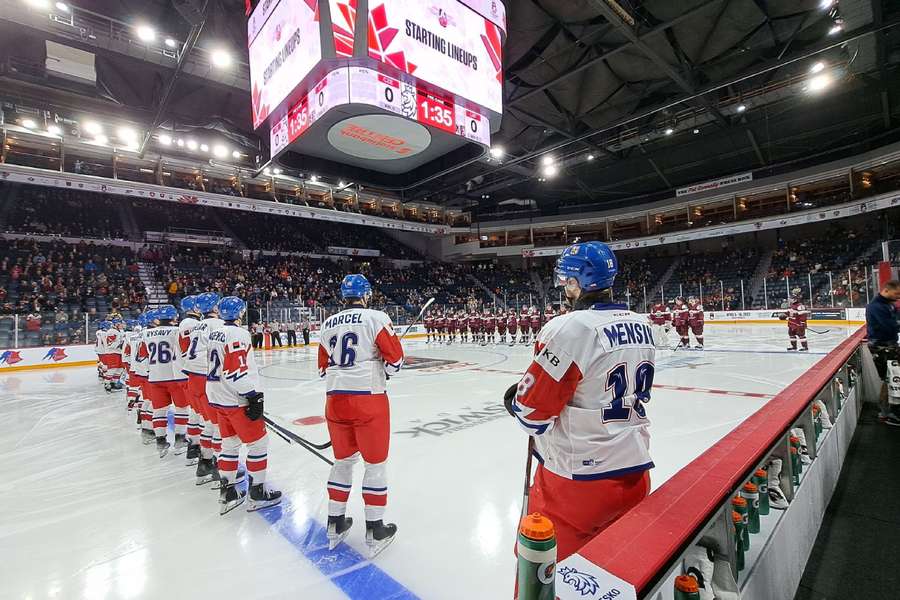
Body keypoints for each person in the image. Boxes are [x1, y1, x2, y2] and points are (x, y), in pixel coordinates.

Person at [505, 241, 654, 562]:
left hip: (577, 482)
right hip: (636, 472)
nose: (564, 288)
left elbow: (532, 414)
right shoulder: (644, 326)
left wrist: (515, 401)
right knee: (615, 573)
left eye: (566, 281)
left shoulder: (569, 327)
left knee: (542, 572)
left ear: (577, 282)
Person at [317, 274, 404, 556]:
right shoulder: (376, 317)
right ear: (366, 294)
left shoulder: (328, 323)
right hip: (369, 399)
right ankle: (375, 528)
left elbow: (322, 368)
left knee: (342, 462)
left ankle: (335, 521)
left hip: (335, 400)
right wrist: (385, 370)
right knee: (375, 465)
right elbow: (396, 359)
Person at [206, 296, 282, 514]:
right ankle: (257, 492)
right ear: (240, 313)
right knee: (258, 443)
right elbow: (234, 371)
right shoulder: (238, 333)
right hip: (235, 397)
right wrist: (252, 395)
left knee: (229, 443)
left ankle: (228, 492)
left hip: (217, 396)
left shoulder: (215, 332)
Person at [142, 304, 190, 458]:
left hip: (155, 377)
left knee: (159, 411)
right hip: (175, 376)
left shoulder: (146, 333)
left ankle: (160, 441)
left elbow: (143, 354)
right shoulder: (177, 331)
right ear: (174, 317)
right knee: (182, 408)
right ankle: (180, 439)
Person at [866, 280, 900, 425]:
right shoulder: (876, 306)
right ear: (886, 290)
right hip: (881, 346)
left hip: (888, 344)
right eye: (896, 293)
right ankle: (887, 413)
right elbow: (889, 327)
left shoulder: (887, 304)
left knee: (890, 377)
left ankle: (887, 411)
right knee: (889, 378)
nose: (898, 296)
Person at [177, 295, 203, 465]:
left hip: (187, 374)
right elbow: (190, 352)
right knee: (205, 416)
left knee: (196, 412)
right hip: (193, 374)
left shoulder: (185, 323)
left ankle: (193, 448)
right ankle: (205, 454)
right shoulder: (191, 324)